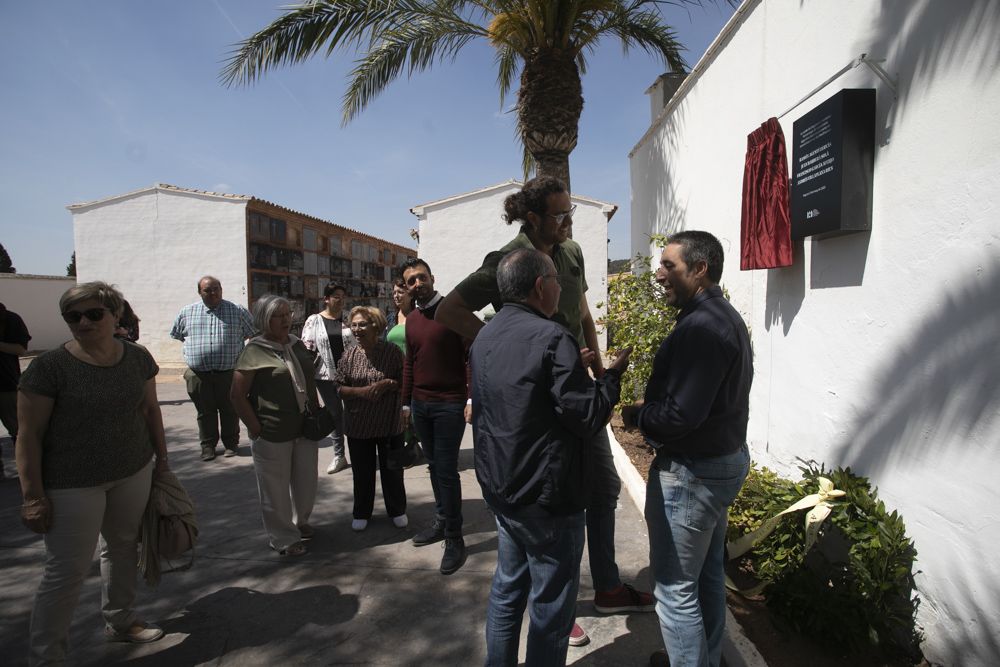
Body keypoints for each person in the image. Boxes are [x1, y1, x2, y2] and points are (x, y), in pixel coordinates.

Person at [436, 176, 653, 645]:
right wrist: (511, 345)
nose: (567, 221)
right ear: (532, 217)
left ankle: (606, 584)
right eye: (559, 214)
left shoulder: (571, 253)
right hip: (537, 401)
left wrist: (596, 371)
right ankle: (557, 603)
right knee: (544, 501)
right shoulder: (505, 262)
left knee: (601, 488)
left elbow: (584, 313)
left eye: (569, 212)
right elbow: (449, 310)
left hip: (577, 388)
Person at [472, 248, 630, 666]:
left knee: (507, 591)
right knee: (551, 606)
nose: (562, 288)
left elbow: (519, 395)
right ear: (540, 286)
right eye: (557, 281)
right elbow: (588, 416)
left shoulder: (485, 335)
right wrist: (611, 377)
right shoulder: (552, 336)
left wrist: (566, 371)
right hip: (546, 498)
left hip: (503, 490)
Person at [16, 282, 169, 664]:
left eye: (93, 314)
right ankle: (46, 656)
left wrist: (162, 462)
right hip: (70, 484)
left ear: (116, 315)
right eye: (73, 316)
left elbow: (151, 411)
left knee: (121, 548)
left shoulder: (137, 358)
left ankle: (121, 621)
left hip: (132, 471)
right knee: (65, 571)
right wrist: (33, 497)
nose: (83, 322)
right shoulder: (48, 368)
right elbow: (28, 436)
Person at [621, 231, 753, 667]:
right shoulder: (719, 316)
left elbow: (680, 416)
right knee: (708, 574)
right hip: (718, 463)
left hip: (693, 474)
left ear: (700, 269)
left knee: (676, 591)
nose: (659, 275)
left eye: (669, 266)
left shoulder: (702, 327)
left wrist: (638, 414)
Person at [230, 295, 320, 556]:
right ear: (263, 320)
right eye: (278, 316)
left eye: (287, 314)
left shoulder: (296, 343)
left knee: (306, 482)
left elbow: (309, 379)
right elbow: (237, 395)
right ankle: (283, 538)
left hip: (305, 428)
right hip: (272, 433)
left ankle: (301, 522)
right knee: (275, 489)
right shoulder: (254, 350)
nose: (286, 320)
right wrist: (256, 428)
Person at [400, 258, 471, 575]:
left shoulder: (452, 312)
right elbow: (409, 363)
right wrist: (405, 404)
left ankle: (455, 538)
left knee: (445, 470)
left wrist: (471, 397)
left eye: (421, 277)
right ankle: (442, 521)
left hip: (450, 404)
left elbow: (471, 356)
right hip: (420, 404)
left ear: (432, 278)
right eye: (411, 281)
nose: (417, 284)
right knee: (433, 467)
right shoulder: (412, 320)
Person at [335, 306, 407, 532]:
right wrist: (360, 392)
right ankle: (362, 512)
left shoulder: (393, 352)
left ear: (375, 326)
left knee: (393, 470)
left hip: (389, 423)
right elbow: (338, 386)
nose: (357, 329)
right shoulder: (349, 355)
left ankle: (397, 510)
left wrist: (388, 383)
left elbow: (405, 380)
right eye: (354, 325)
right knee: (362, 472)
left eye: (362, 324)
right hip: (359, 424)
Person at [170, 275, 255, 461]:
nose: (213, 292)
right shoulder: (187, 312)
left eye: (216, 288)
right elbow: (179, 335)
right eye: (208, 290)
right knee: (204, 411)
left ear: (221, 289)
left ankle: (231, 444)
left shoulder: (237, 311)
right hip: (198, 374)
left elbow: (254, 335)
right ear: (199, 292)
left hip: (229, 373)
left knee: (230, 409)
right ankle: (207, 446)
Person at [301, 282, 355, 475]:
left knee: (354, 413)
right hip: (325, 376)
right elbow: (307, 349)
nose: (340, 300)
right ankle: (339, 455)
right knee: (334, 415)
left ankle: (357, 452)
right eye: (336, 297)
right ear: (326, 299)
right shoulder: (314, 320)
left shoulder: (349, 318)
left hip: (351, 374)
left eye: (343, 296)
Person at [1, 302, 31, 477]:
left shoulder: (10, 319)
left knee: (18, 431)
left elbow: (20, 349)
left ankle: (27, 469)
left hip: (6, 384)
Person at [386, 278, 411, 352]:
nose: (396, 296)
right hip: (392, 362)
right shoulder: (390, 318)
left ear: (410, 295)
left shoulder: (419, 318)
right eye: (394, 293)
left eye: (400, 292)